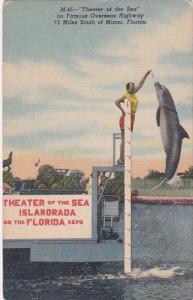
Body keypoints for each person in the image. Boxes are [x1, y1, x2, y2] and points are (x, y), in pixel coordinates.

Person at [115, 70, 152, 164]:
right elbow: (116, 102)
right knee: (124, 138)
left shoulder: (134, 94)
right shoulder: (126, 95)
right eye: (132, 88)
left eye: (133, 87)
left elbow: (141, 84)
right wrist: (122, 110)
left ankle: (123, 158)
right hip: (126, 117)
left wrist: (145, 74)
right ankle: (121, 159)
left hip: (132, 117)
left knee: (127, 139)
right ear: (128, 89)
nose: (133, 89)